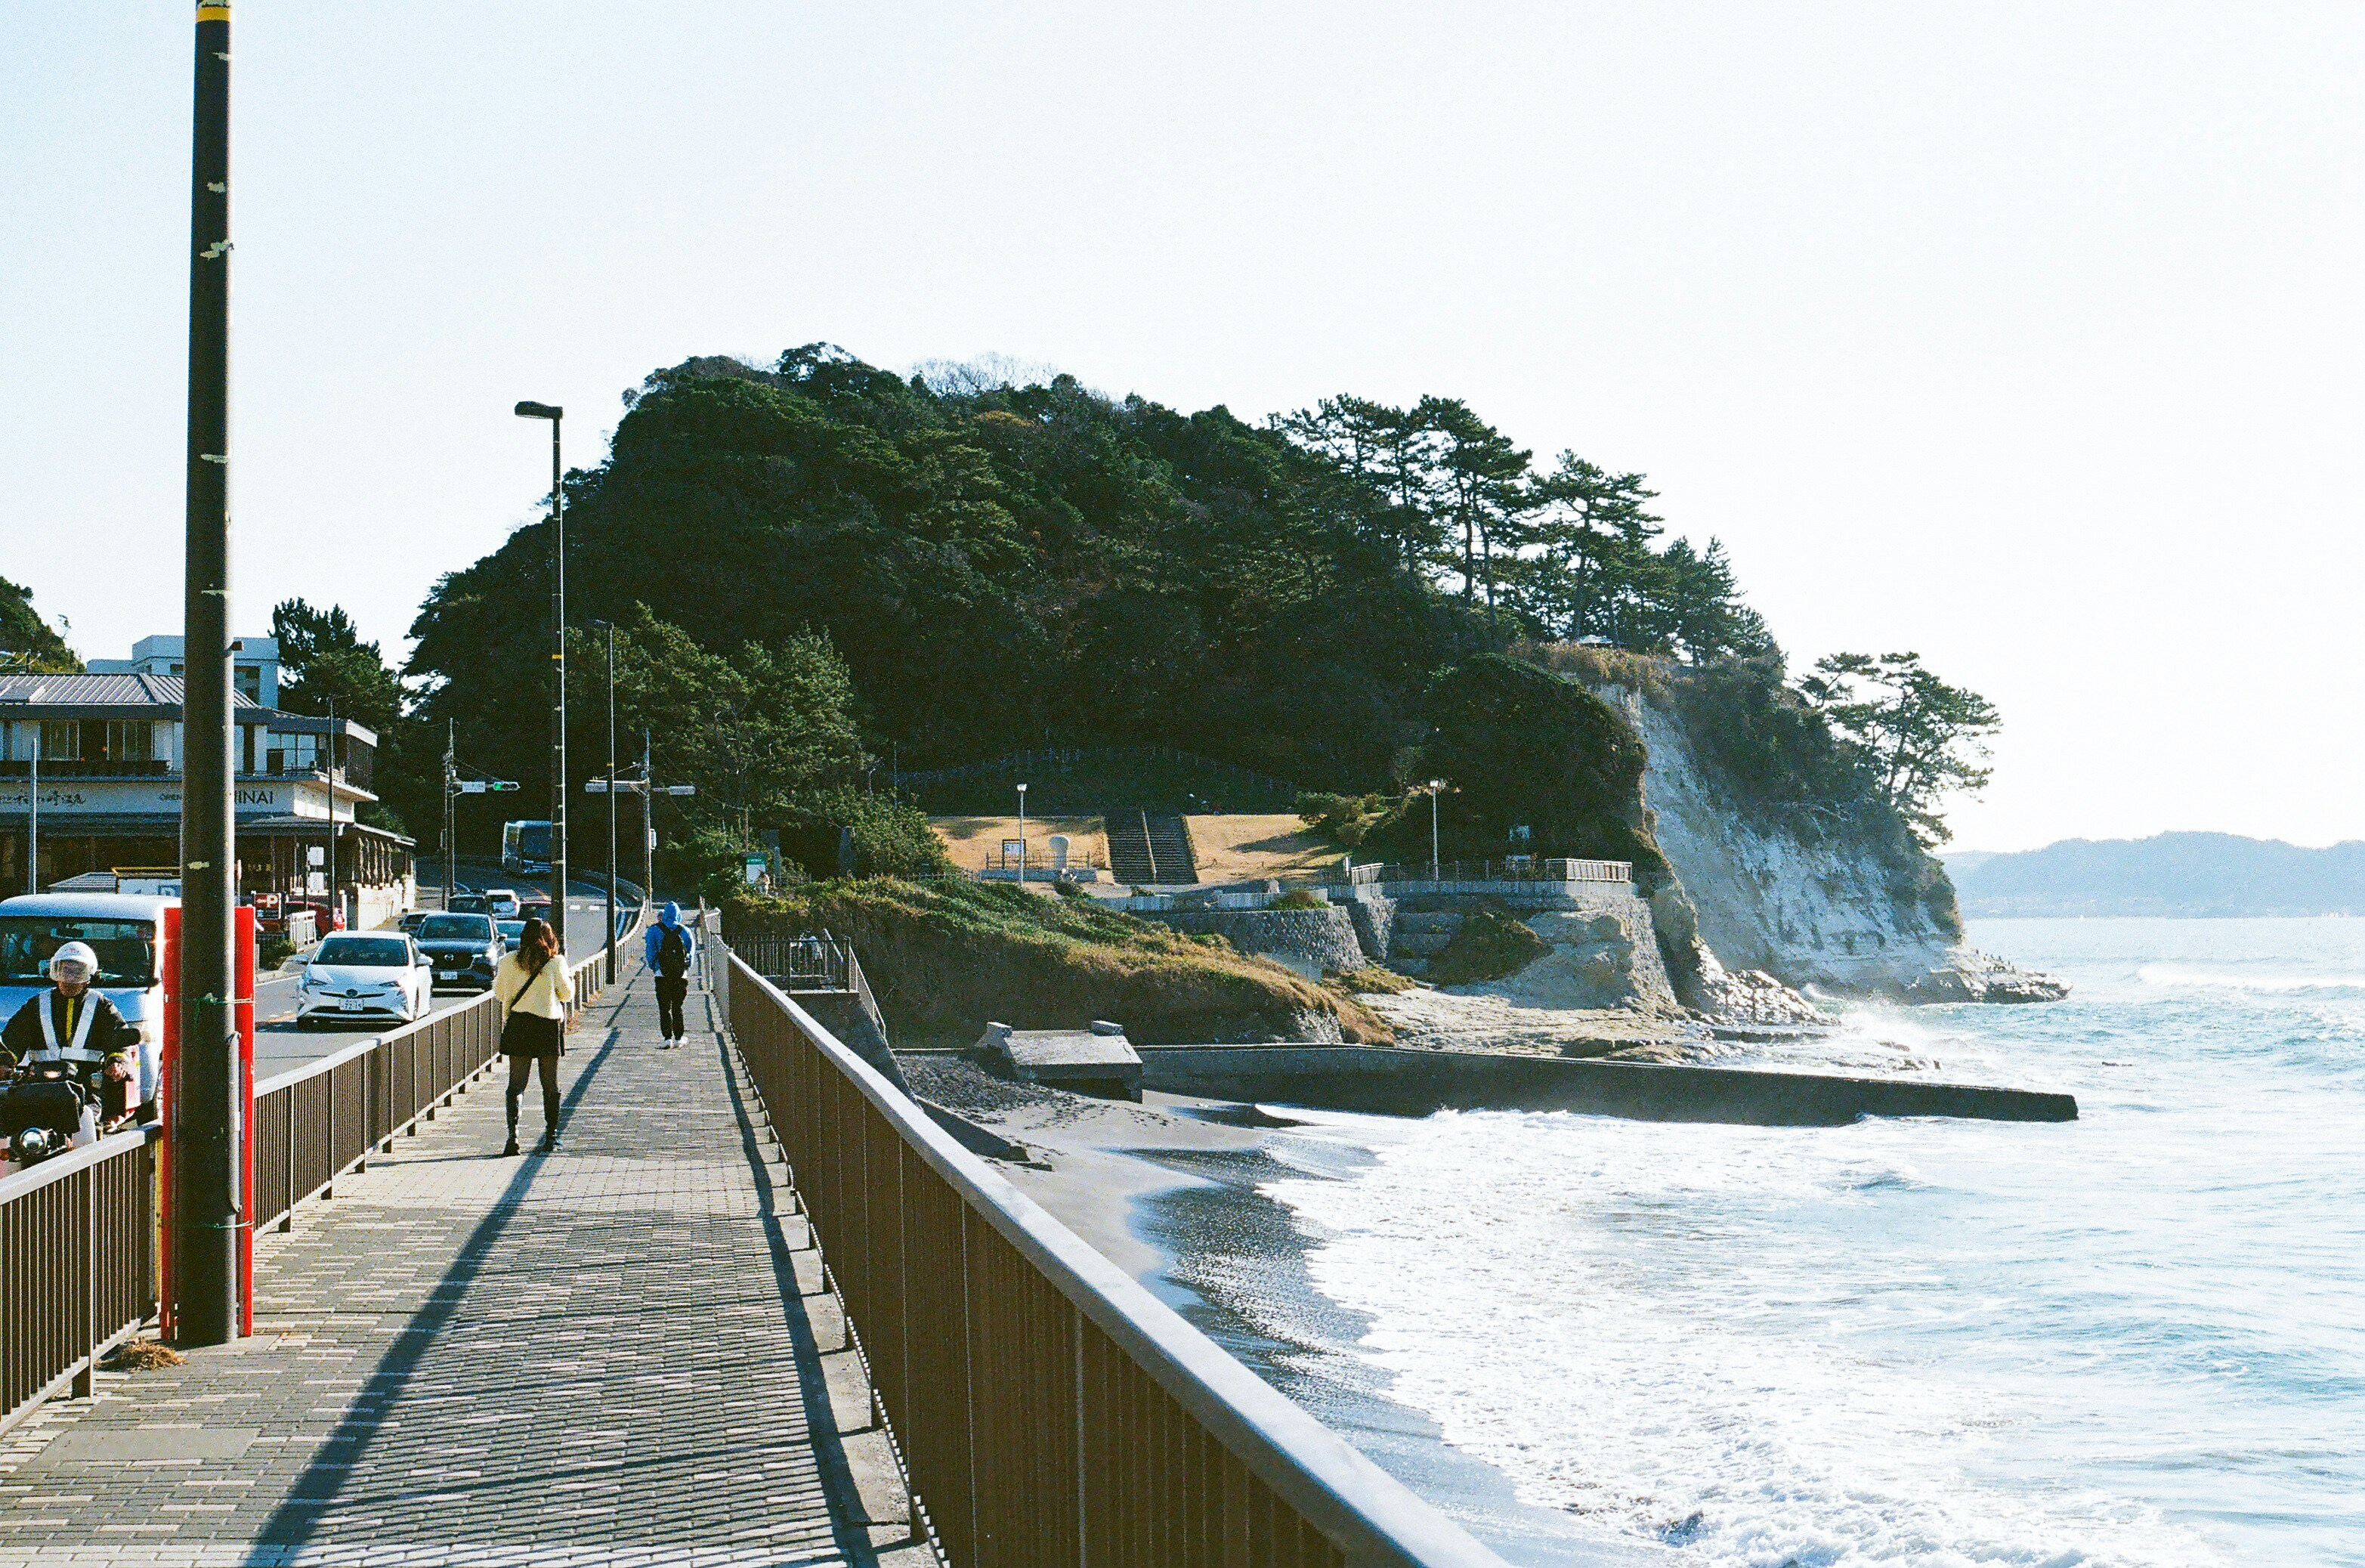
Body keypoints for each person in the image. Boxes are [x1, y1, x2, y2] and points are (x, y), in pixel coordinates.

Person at [1, 942, 152, 1137]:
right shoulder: (37, 1003)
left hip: (86, 1084)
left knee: (89, 1123)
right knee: (13, 1121)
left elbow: (118, 1037)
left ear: (89, 976)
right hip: (39, 1083)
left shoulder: (102, 1005)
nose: (68, 979)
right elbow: (14, 1035)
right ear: (54, 971)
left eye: (76, 973)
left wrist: (116, 1062)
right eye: (64, 971)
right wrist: (4, 1062)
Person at [492, 916, 573, 1155]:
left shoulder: (508, 961)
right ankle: (551, 1138)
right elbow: (566, 994)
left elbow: (498, 992)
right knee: (550, 1084)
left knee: (516, 1084)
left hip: (519, 1024)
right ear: (550, 939)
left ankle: (512, 1139)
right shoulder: (555, 963)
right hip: (547, 1025)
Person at [643, 901, 695, 1047]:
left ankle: (667, 1039)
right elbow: (690, 953)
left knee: (664, 1007)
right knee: (677, 1006)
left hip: (662, 974)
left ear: (664, 914)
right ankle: (679, 1038)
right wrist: (685, 967)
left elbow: (650, 951)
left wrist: (656, 967)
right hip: (680, 975)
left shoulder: (654, 930)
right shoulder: (685, 931)